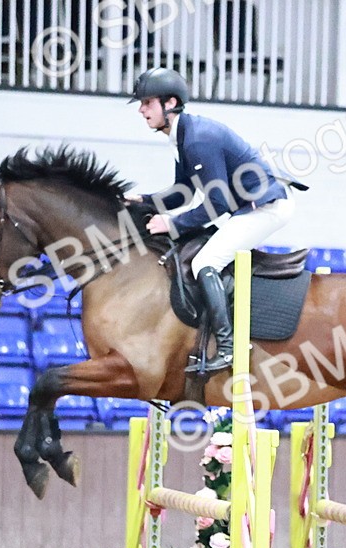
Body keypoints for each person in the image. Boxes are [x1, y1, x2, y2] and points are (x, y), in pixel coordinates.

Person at [124, 67, 298, 374]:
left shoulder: (196, 140)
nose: (141, 110)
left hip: (267, 206)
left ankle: (229, 348)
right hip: (248, 206)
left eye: (147, 103)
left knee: (205, 261)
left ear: (170, 103)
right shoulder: (183, 137)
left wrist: (173, 225)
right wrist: (144, 201)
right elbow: (183, 193)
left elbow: (217, 203)